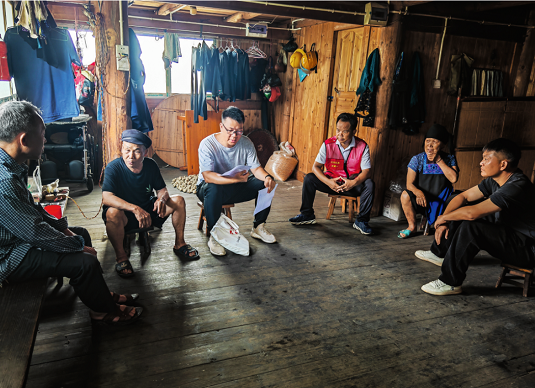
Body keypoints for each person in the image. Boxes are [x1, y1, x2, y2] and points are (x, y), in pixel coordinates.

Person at [0, 101, 141, 325]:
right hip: (4, 257)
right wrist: (76, 246)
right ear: (24, 140)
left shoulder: (3, 162)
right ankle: (102, 311)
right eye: (43, 133)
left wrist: (69, 234)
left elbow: (34, 211)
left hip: (16, 239)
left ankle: (100, 296)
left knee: (81, 234)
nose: (45, 139)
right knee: (84, 262)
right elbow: (34, 233)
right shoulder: (1, 182)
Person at [416, 138, 535, 296]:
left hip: (527, 249)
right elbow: (463, 197)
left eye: (486, 159)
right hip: (510, 235)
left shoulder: (517, 185)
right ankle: (439, 253)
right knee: (457, 204)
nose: (481, 163)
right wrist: (444, 219)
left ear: (503, 164)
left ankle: (450, 283)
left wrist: (443, 219)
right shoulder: (494, 181)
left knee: (471, 225)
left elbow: (472, 213)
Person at [102, 129, 199, 277]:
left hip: (148, 210)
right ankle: (121, 258)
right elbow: (107, 197)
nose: (131, 156)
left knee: (179, 200)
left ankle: (180, 243)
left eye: (137, 151)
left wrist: (161, 199)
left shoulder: (150, 165)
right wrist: (135, 209)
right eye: (127, 150)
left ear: (145, 152)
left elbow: (162, 190)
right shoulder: (113, 168)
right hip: (125, 216)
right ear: (121, 148)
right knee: (112, 212)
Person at [196, 106, 277, 256]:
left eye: (239, 131)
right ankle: (215, 236)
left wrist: (267, 177)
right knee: (213, 187)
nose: (234, 135)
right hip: (209, 190)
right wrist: (234, 179)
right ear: (221, 126)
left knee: (264, 184)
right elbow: (207, 176)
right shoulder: (207, 144)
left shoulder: (246, 142)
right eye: (230, 130)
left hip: (234, 185)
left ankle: (258, 227)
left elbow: (256, 168)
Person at [289, 112, 375, 235]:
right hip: (332, 183)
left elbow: (367, 171)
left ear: (353, 132)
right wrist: (329, 182)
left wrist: (353, 182)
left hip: (352, 185)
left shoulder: (362, 146)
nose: (340, 134)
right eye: (338, 130)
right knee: (309, 178)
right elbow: (316, 167)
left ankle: (361, 221)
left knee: (369, 183)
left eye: (345, 131)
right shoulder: (328, 144)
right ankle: (307, 214)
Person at [398, 124, 459, 239]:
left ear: (442, 144)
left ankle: (444, 224)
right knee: (405, 195)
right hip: (423, 199)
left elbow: (454, 179)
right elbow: (409, 184)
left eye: (434, 141)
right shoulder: (417, 159)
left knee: (459, 198)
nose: (430, 145)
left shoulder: (449, 158)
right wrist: (418, 192)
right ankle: (412, 227)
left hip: (443, 200)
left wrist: (439, 160)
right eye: (427, 141)